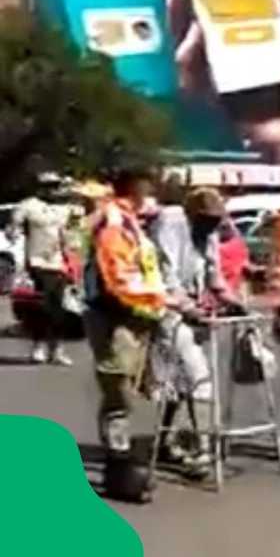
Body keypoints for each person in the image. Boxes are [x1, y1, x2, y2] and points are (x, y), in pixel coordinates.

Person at [148, 187, 246, 477]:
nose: (212, 227)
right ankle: (205, 450)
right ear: (193, 214)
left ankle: (166, 441)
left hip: (193, 306)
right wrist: (189, 309)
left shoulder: (210, 233)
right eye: (207, 220)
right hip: (168, 308)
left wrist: (234, 302)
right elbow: (166, 277)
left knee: (180, 383)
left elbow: (214, 276)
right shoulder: (171, 222)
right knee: (198, 376)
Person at [83, 165, 167, 503]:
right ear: (133, 188)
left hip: (133, 315)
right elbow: (119, 276)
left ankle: (121, 463)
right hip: (114, 314)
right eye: (145, 188)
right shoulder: (114, 221)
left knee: (126, 390)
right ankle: (118, 466)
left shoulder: (132, 221)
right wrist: (157, 300)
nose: (148, 195)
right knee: (117, 389)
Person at [11, 172, 79, 365]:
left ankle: (57, 348)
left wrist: (73, 256)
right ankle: (39, 345)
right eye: (48, 186)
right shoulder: (28, 206)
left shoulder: (64, 210)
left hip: (59, 262)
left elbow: (71, 236)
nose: (52, 190)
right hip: (36, 262)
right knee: (41, 306)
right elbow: (14, 230)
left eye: (55, 186)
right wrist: (15, 231)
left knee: (59, 307)